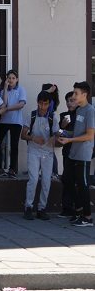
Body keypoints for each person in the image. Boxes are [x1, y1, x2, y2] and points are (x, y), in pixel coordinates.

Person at [56, 81, 94, 227]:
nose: (73, 96)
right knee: (67, 179)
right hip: (73, 153)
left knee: (83, 185)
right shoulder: (78, 110)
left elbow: (90, 135)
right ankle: (79, 210)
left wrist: (70, 139)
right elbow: (77, 132)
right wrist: (64, 132)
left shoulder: (90, 111)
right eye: (73, 93)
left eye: (76, 93)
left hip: (83, 154)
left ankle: (87, 217)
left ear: (84, 95)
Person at [22, 91, 58, 221]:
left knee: (46, 181)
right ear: (37, 102)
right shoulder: (31, 115)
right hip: (33, 151)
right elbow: (23, 134)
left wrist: (55, 137)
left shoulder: (53, 117)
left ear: (49, 104)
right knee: (33, 179)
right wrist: (33, 138)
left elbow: (56, 135)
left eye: (46, 104)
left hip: (48, 152)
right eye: (41, 103)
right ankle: (28, 207)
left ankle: (42, 208)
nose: (43, 106)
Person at [0, 70, 27, 178]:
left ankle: (12, 169)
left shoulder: (21, 89)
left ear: (17, 79)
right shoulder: (2, 91)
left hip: (16, 122)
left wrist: (8, 109)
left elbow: (21, 104)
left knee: (14, 146)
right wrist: (5, 88)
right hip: (4, 121)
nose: (11, 80)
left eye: (13, 78)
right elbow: (4, 103)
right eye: (9, 78)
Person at [57, 91, 78, 218]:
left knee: (78, 180)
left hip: (79, 151)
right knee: (66, 178)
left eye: (72, 100)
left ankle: (78, 207)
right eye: (67, 101)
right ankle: (67, 207)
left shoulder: (82, 114)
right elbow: (59, 134)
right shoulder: (63, 115)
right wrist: (62, 126)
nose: (69, 103)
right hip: (67, 151)